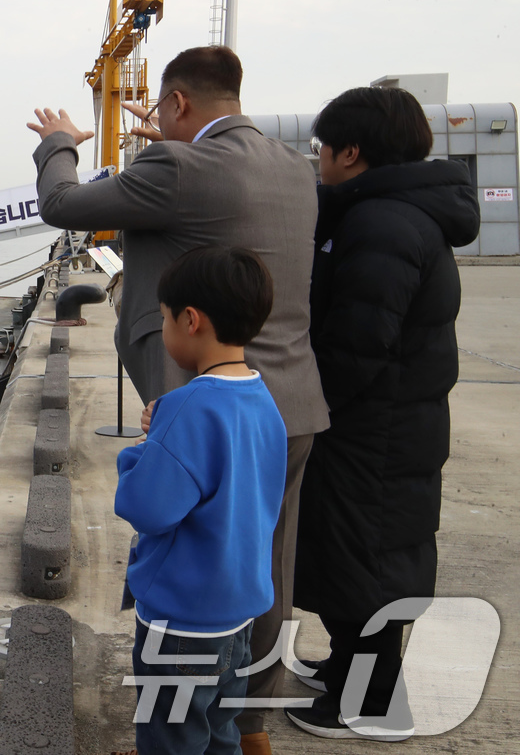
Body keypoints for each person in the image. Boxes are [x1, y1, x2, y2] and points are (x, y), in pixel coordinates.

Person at [27, 45, 328, 753]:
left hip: (200, 404)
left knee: (185, 553)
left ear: (180, 104)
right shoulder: (293, 165)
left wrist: (58, 143)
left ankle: (181, 718)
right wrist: (173, 141)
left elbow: (63, 204)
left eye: (163, 109)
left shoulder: (176, 169)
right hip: (287, 404)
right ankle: (248, 725)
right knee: (263, 568)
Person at [285, 87, 480, 741]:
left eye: (322, 150)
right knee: (358, 556)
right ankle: (348, 672)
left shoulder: (382, 223)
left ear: (352, 151)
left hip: (374, 428)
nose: (319, 163)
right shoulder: (386, 214)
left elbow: (359, 341)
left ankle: (369, 702)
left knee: (364, 558)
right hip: (386, 422)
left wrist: (312, 404)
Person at [117, 245, 286, 755]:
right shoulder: (262, 399)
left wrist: (143, 450)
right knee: (219, 734)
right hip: (237, 619)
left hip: (180, 627)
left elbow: (145, 507)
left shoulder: (188, 406)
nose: (164, 328)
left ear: (190, 320)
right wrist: (165, 432)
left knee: (171, 740)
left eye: (165, 318)